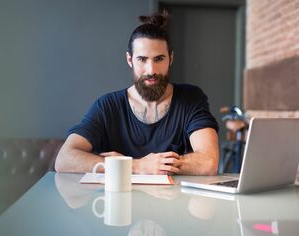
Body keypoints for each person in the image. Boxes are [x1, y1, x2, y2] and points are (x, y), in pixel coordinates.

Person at [55, 12, 219, 175]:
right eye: (142, 59)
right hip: (119, 199)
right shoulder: (107, 106)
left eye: (159, 59)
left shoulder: (190, 98)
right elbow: (64, 159)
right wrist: (137, 166)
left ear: (171, 58)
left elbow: (209, 162)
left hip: (175, 199)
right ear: (129, 59)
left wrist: (143, 165)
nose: (151, 70)